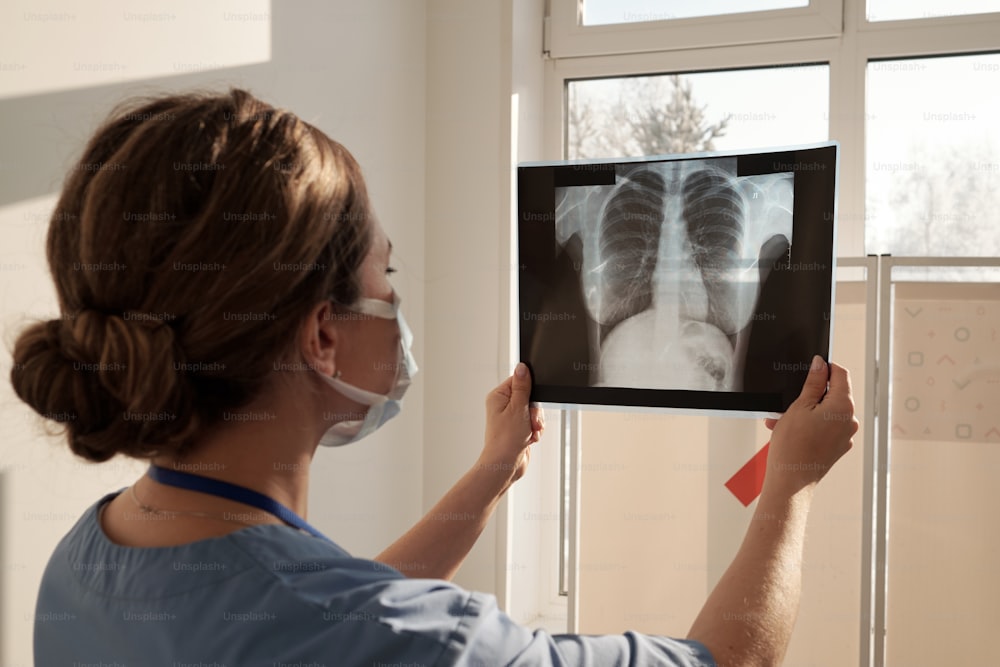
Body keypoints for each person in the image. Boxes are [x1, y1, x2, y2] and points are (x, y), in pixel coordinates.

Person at [11, 89, 858, 666]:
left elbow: (325, 615)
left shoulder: (85, 563)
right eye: (390, 279)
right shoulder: (427, 643)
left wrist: (488, 476)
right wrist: (791, 485)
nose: (400, 303)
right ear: (321, 334)